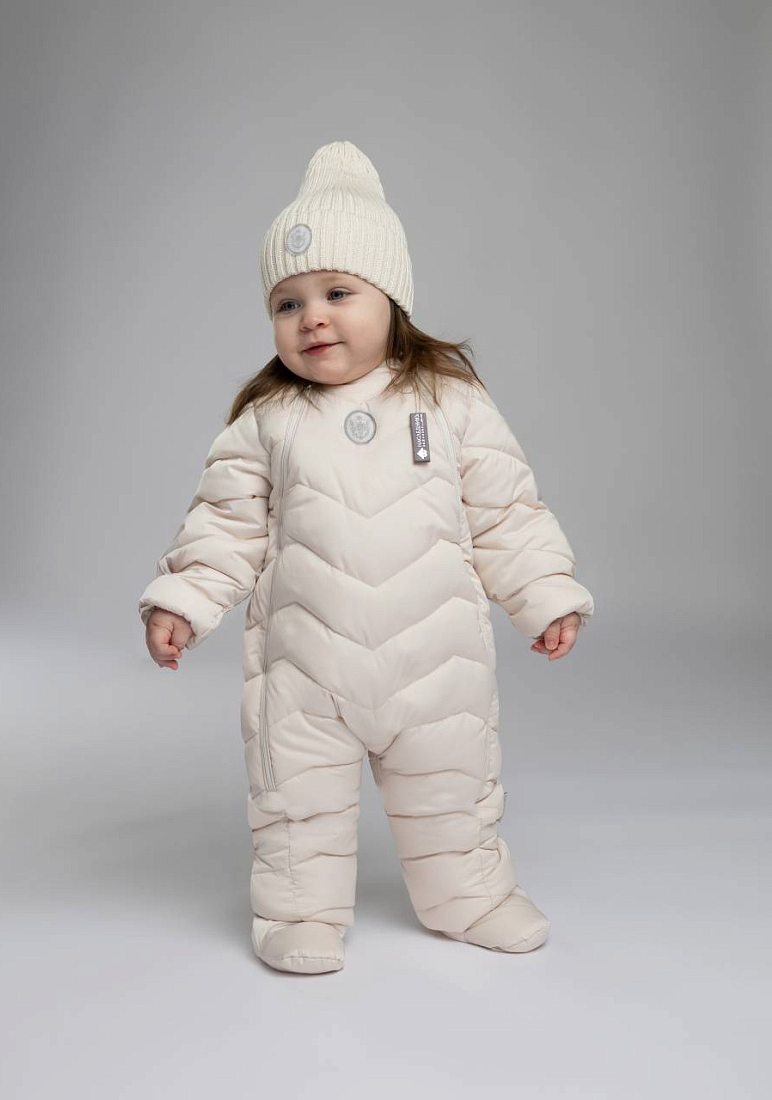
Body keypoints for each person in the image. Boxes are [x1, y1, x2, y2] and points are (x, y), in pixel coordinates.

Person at [138, 140, 595, 975]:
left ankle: (470, 897)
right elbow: (224, 526)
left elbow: (505, 510)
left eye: (337, 292)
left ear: (392, 299)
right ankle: (298, 913)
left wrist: (544, 591)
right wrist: (183, 600)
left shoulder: (449, 402)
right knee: (296, 801)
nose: (311, 317)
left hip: (436, 664)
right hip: (305, 670)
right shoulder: (266, 421)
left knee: (452, 788)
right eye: (287, 302)